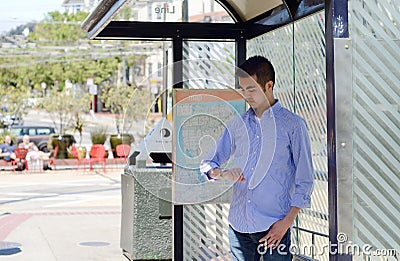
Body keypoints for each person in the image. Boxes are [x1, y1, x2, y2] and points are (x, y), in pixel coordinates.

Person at [200, 56, 314, 260]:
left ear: (268, 86)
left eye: (251, 89)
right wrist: (222, 173)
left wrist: (286, 223)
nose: (246, 96)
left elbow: (305, 181)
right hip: (238, 228)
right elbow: (209, 163)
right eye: (242, 89)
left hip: (273, 229)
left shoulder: (293, 126)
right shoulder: (237, 124)